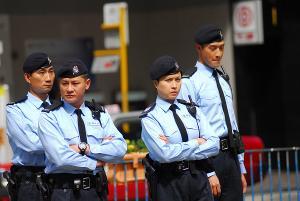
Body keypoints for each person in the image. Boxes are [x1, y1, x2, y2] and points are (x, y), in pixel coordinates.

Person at [37, 58, 127, 201]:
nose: (69, 89)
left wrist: (84, 148)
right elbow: (59, 157)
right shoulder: (50, 116)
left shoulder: (99, 114)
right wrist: (94, 162)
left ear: (87, 84)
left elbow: (120, 149)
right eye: (64, 83)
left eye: (75, 83)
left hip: (96, 190)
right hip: (63, 191)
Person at [178, 24, 247, 201]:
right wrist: (208, 172)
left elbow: (233, 124)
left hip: (230, 158)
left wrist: (240, 166)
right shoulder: (189, 82)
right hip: (208, 159)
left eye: (222, 47)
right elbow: (191, 131)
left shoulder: (223, 79)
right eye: (213, 48)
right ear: (198, 48)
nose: (218, 53)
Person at [140, 55, 220, 201]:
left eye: (178, 79)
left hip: (198, 178)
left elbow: (214, 144)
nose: (174, 85)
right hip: (169, 182)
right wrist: (196, 142)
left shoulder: (191, 109)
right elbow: (164, 155)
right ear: (156, 84)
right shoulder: (150, 117)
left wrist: (175, 147)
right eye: (168, 80)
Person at [5, 52, 55, 201]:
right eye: (41, 72)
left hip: (59, 181)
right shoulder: (16, 110)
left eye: (51, 71)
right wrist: (71, 145)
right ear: (28, 77)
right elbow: (32, 145)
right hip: (30, 183)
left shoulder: (61, 108)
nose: (48, 78)